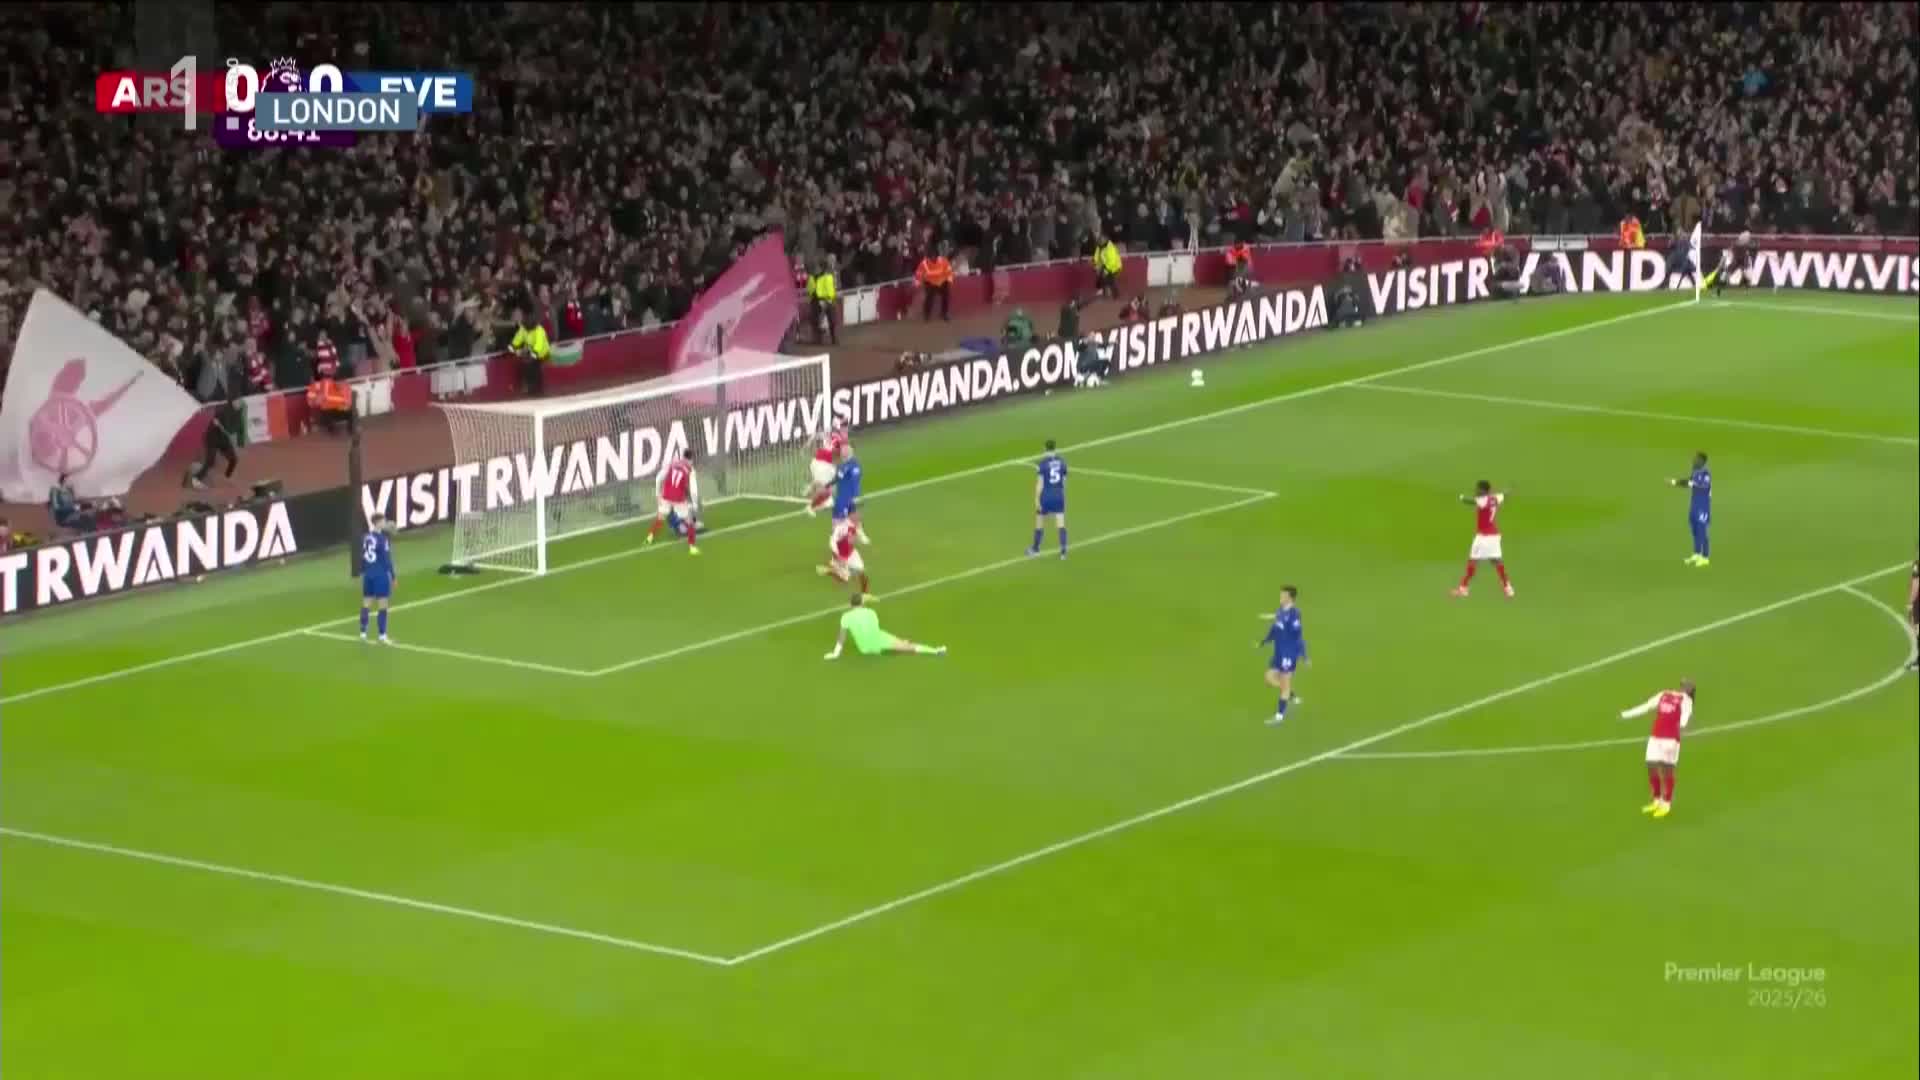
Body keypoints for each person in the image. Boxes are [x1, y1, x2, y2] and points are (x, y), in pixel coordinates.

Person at [1620, 679, 1695, 819]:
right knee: (1651, 766)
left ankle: (1666, 804)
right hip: (1655, 736)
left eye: (1689, 686)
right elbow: (1647, 705)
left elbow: (1684, 720)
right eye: (1685, 684)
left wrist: (1681, 728)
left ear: (1690, 690)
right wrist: (1626, 714)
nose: (1686, 686)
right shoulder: (1664, 694)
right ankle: (1656, 800)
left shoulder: (1687, 701)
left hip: (1670, 739)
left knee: (1667, 770)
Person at [824, 592, 945, 659]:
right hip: (876, 641)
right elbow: (875, 629)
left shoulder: (845, 617)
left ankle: (899, 644)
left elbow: (841, 637)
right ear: (862, 603)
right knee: (906, 646)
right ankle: (935, 651)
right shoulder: (871, 612)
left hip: (863, 647)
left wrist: (835, 653)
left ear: (850, 604)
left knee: (899, 641)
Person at [1452, 480, 1514, 598]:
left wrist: (1460, 497)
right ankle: (1508, 588)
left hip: (1483, 537)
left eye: (1478, 489)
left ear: (1484, 490)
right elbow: (1504, 494)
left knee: (1473, 561)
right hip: (1494, 535)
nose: (1476, 490)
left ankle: (1463, 588)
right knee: (1497, 561)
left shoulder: (1482, 500)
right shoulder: (1495, 498)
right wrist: (1509, 490)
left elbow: (1469, 501)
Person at [1260, 586, 1308, 725]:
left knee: (1284, 683)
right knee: (1268, 679)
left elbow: (1298, 637)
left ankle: (1279, 717)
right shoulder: (1280, 610)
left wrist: (1303, 655)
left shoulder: (1294, 615)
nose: (1280, 597)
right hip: (1278, 653)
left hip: (1288, 655)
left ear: (1290, 598)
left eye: (1283, 595)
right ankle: (1290, 695)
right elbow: (1275, 627)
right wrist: (1265, 641)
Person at [646, 449, 700, 554]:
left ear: (683, 457)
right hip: (679, 499)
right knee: (690, 522)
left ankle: (649, 538)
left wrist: (657, 494)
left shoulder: (672, 464)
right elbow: (693, 491)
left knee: (660, 518)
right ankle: (692, 547)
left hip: (666, 496)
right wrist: (694, 504)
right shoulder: (691, 470)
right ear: (691, 459)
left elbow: (658, 478)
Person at [1027, 439, 1068, 558]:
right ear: (1055, 448)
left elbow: (1040, 484)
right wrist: (1062, 496)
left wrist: (1036, 499)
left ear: (1045, 448)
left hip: (1046, 496)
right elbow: (1064, 482)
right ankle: (1063, 552)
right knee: (1061, 524)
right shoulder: (1062, 462)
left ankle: (1035, 549)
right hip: (1058, 495)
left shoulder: (1042, 464)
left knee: (1039, 523)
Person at [1669, 451, 1711, 567]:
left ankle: (1705, 557)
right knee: (1695, 530)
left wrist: (1692, 483)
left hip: (1703, 506)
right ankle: (1696, 554)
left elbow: (1703, 486)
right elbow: (1688, 483)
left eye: (1696, 459)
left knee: (1702, 531)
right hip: (1694, 505)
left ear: (1702, 461)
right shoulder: (1695, 473)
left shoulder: (1706, 474)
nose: (1694, 460)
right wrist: (1674, 482)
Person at [358, 515, 396, 644]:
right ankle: (382, 636)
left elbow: (363, 557)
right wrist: (393, 576)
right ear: (378, 523)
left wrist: (363, 572)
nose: (385, 523)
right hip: (380, 575)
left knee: (366, 603)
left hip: (368, 575)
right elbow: (387, 560)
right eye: (383, 521)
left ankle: (363, 633)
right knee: (383, 604)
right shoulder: (382, 539)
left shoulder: (366, 537)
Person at [817, 506, 871, 596]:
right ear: (851, 515)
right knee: (844, 579)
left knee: (861, 572)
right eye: (857, 513)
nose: (859, 514)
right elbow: (832, 541)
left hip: (851, 553)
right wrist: (838, 556)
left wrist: (864, 539)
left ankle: (865, 595)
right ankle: (829, 571)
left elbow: (859, 533)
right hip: (841, 555)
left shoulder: (857, 523)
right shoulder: (842, 527)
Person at [806, 424, 849, 515]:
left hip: (817, 462)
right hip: (823, 465)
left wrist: (810, 443)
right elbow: (836, 455)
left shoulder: (830, 436)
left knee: (824, 483)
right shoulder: (839, 441)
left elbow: (817, 437)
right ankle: (813, 505)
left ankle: (810, 490)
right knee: (827, 486)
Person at [831, 440, 869, 543]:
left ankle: (843, 540)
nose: (844, 451)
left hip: (848, 498)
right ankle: (842, 539)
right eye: (842, 449)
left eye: (846, 449)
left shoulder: (849, 465)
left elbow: (838, 478)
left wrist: (827, 486)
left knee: (845, 519)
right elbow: (840, 479)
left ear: (851, 450)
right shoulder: (851, 464)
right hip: (847, 497)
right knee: (849, 517)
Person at [510, 309, 551, 396]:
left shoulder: (539, 330)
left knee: (535, 367)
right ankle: (530, 388)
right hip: (530, 351)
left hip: (542, 352)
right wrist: (512, 346)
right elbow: (518, 338)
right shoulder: (523, 329)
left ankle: (539, 390)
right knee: (526, 365)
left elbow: (539, 344)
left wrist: (532, 355)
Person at [915, 249, 953, 321]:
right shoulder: (924, 263)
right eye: (931, 257)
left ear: (937, 257)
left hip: (941, 282)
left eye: (934, 257)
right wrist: (917, 283)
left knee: (946, 295)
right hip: (929, 283)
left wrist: (949, 282)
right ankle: (926, 315)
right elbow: (918, 273)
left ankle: (944, 314)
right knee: (929, 297)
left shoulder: (943, 261)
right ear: (928, 257)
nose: (933, 258)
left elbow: (949, 272)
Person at [1092, 234, 1122, 299]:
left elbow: (1112, 261)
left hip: (1115, 267)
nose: (1100, 242)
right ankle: (1101, 290)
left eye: (1101, 240)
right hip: (1105, 264)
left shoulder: (1110, 248)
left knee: (1110, 279)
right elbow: (1096, 256)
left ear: (1106, 240)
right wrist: (1095, 264)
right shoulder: (1099, 246)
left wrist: (1106, 270)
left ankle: (1116, 295)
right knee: (1100, 275)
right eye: (1099, 240)